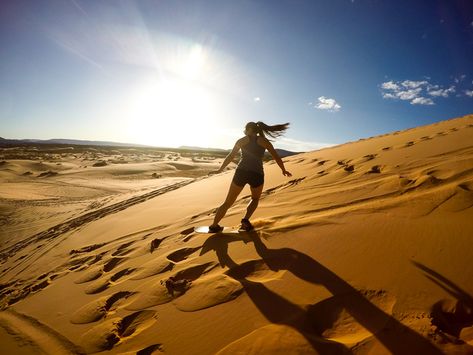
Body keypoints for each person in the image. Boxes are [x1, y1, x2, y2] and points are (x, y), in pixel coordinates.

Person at [209, 121, 292, 232]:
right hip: (257, 174)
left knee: (228, 202)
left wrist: (220, 169)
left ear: (249, 129)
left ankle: (214, 225)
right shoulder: (264, 141)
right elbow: (276, 156)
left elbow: (231, 156)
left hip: (241, 172)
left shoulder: (242, 140)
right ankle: (245, 220)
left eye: (245, 129)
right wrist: (283, 170)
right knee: (255, 198)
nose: (244, 131)